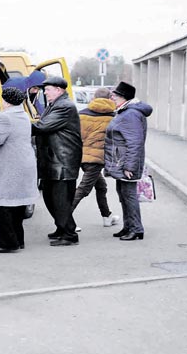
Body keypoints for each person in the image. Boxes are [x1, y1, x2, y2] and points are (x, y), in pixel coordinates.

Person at [0, 87, 38, 253]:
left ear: (6, 100)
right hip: (25, 163)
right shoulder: (23, 115)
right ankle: (18, 240)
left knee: (3, 203)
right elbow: (11, 130)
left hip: (11, 164)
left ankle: (8, 243)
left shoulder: (5, 116)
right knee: (17, 204)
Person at [31, 76, 83, 246]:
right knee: (50, 197)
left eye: (48, 89)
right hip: (53, 160)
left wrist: (15, 122)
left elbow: (41, 126)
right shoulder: (55, 105)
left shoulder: (65, 106)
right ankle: (62, 228)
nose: (44, 92)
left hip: (62, 161)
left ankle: (69, 234)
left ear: (59, 90)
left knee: (60, 200)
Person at [104, 81, 153, 241]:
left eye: (115, 95)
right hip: (121, 162)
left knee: (129, 195)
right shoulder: (125, 111)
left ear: (123, 97)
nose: (112, 98)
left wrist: (129, 166)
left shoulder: (130, 114)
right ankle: (128, 226)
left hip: (125, 163)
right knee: (123, 194)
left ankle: (136, 229)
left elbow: (134, 142)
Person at [71, 87, 119, 228]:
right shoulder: (112, 117)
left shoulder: (82, 115)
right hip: (97, 159)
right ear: (109, 98)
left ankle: (107, 216)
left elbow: (76, 136)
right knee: (83, 189)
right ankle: (64, 220)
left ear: (94, 98)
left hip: (83, 156)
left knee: (101, 186)